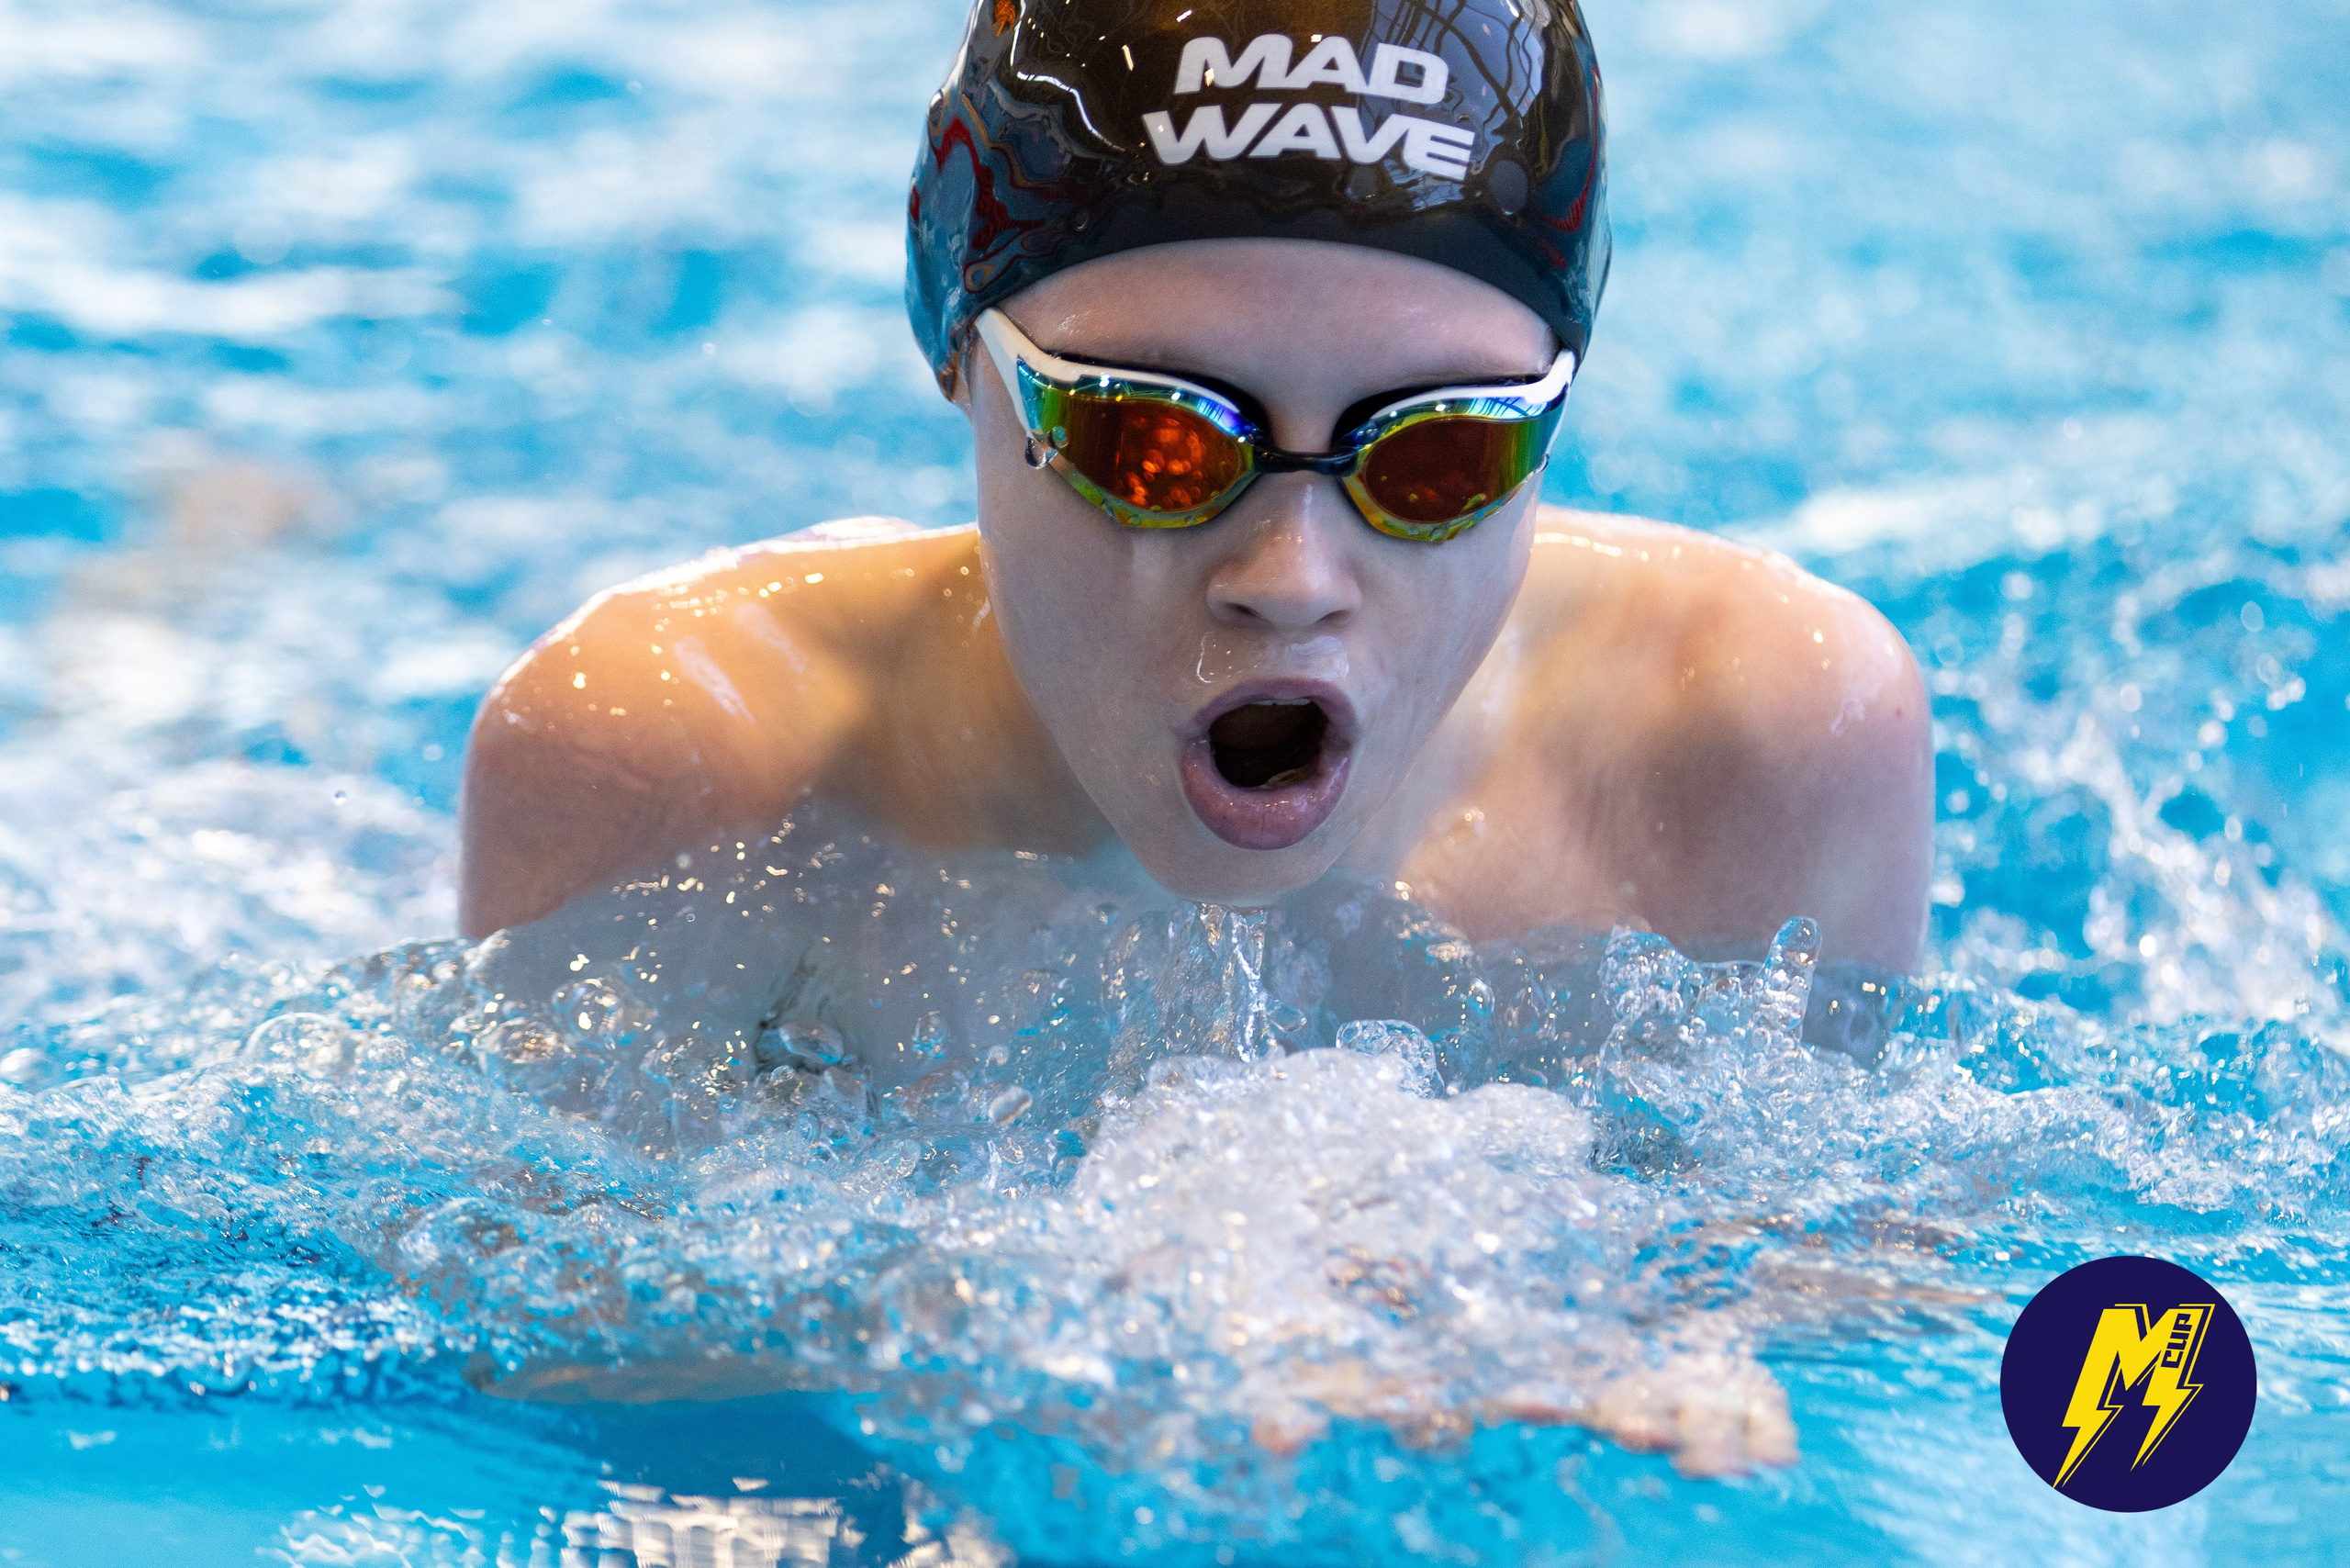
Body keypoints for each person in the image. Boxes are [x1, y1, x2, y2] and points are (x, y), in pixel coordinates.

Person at [457, 0, 1931, 973]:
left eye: (1435, 455)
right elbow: (580, 1383)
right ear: (962, 360)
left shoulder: (1757, 745)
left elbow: (1850, 1303)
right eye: (1150, 442)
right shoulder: (678, 766)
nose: (1289, 570)